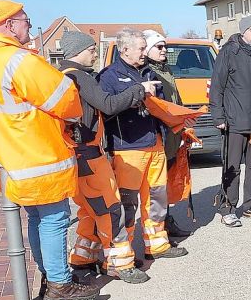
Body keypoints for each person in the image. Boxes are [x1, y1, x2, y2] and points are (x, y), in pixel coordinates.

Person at [0, 0, 97, 300]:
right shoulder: (18, 61)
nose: (29, 27)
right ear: (10, 25)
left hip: (9, 157)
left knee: (37, 218)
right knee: (54, 217)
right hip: (39, 154)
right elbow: (65, 99)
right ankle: (60, 283)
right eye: (27, 21)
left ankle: (50, 274)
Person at [59, 31, 156, 284]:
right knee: (111, 209)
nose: (94, 54)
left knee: (90, 210)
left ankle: (83, 258)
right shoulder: (80, 77)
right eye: (91, 50)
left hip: (73, 154)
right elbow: (108, 105)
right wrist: (138, 91)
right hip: (89, 155)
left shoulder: (60, 77)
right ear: (78, 51)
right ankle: (119, 264)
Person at [99, 29, 189, 260]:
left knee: (157, 197)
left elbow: (159, 107)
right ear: (125, 49)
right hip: (128, 148)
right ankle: (123, 254)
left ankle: (157, 245)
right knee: (127, 204)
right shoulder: (109, 76)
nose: (143, 52)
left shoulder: (149, 72)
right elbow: (106, 111)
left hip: (154, 143)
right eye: (140, 48)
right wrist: (136, 94)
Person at [210, 16, 251, 227]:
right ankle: (227, 207)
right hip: (233, 121)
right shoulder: (229, 52)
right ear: (244, 31)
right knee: (232, 167)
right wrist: (218, 116)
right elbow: (217, 86)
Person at [142, 30, 193, 238]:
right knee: (157, 187)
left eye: (165, 47)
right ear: (147, 49)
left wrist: (184, 122)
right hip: (159, 136)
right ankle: (158, 230)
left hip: (173, 134)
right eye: (159, 47)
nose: (164, 50)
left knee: (167, 182)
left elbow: (175, 101)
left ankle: (166, 222)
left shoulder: (166, 70)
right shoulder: (148, 73)